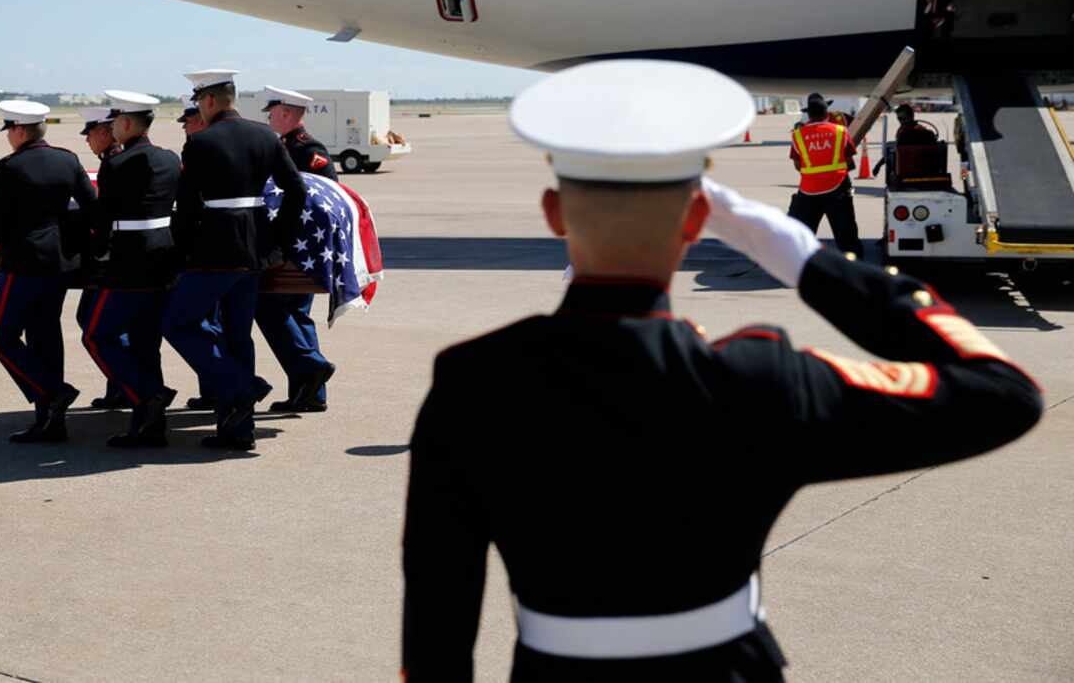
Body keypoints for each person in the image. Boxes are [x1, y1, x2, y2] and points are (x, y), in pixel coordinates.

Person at [401, 60, 1043, 681]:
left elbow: (438, 604)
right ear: (700, 220)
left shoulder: (473, 382)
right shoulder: (759, 379)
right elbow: (1003, 394)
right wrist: (802, 259)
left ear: (553, 212)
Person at [162, 70, 306, 450]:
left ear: (208, 101)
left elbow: (188, 207)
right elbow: (296, 189)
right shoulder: (265, 136)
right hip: (256, 248)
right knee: (237, 333)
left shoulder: (200, 142)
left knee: (178, 323)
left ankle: (243, 387)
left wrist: (180, 251)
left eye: (198, 103)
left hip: (215, 249)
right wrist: (278, 239)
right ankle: (237, 429)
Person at [0, 100, 98, 443]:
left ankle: (53, 391)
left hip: (24, 263)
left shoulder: (9, 167)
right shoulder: (68, 159)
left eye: (9, 130)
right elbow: (91, 208)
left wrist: (14, 246)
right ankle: (51, 423)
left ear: (19, 130)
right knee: (44, 334)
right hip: (61, 263)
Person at [79, 91, 182, 447]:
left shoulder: (117, 165)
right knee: (145, 343)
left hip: (128, 264)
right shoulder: (170, 159)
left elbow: (103, 221)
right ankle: (149, 424)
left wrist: (95, 258)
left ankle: (148, 395)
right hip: (164, 258)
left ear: (124, 123)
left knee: (96, 334)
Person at [254, 86, 338, 413]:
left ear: (287, 113)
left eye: (272, 111)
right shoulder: (285, 147)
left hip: (298, 249)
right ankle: (310, 394)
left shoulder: (307, 150)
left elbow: (322, 198)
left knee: (271, 309)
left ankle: (312, 367)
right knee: (296, 316)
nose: (269, 116)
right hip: (297, 249)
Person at [75, 105, 128, 410]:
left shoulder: (115, 164)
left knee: (95, 322)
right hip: (116, 256)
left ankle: (127, 383)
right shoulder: (114, 161)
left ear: (107, 133)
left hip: (113, 260)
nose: (87, 141)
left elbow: (106, 217)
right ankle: (120, 384)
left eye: (90, 133)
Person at [786, 92, 862, 258]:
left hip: (809, 190)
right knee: (845, 232)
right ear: (826, 113)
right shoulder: (840, 131)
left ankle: (801, 266)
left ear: (809, 115)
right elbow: (849, 158)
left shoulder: (798, 135)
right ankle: (854, 266)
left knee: (805, 232)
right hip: (838, 188)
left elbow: (798, 164)